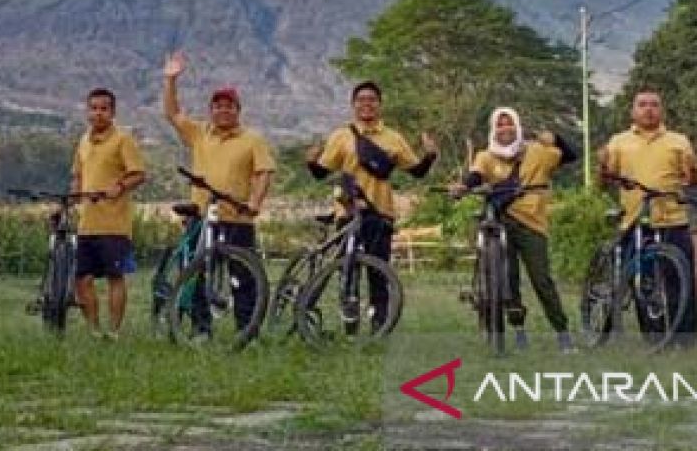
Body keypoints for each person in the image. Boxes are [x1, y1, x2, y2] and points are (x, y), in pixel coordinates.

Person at [305, 81, 437, 332]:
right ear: (353, 105)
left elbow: (417, 172)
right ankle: (350, 325)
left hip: (381, 211)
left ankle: (379, 326)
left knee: (379, 271)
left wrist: (430, 155)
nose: (367, 104)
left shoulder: (393, 138)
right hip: (348, 211)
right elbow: (321, 173)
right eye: (361, 100)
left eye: (372, 100)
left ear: (379, 105)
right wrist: (311, 161)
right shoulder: (340, 136)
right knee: (348, 270)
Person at [162, 51, 275, 335]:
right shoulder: (200, 133)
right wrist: (171, 79)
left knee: (244, 278)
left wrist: (255, 203)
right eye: (218, 106)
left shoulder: (252, 139)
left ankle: (246, 330)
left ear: (238, 110)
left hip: (237, 218)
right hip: (202, 216)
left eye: (229, 106)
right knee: (197, 274)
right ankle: (202, 329)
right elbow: (172, 114)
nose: (223, 110)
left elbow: (264, 172)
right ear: (211, 110)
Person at [450, 107, 576, 352]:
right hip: (501, 221)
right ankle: (518, 329)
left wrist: (555, 138)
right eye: (500, 124)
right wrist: (463, 187)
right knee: (509, 279)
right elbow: (475, 176)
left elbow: (570, 156)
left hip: (533, 224)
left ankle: (562, 333)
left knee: (542, 280)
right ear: (493, 129)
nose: (505, 129)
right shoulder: (485, 156)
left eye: (509, 124)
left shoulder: (537, 151)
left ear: (517, 126)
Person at [599, 88, 697, 345]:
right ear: (633, 111)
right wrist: (603, 167)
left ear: (661, 110)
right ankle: (653, 338)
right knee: (643, 284)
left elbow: (691, 179)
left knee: (680, 281)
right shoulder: (618, 141)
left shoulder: (679, 141)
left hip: (673, 219)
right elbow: (604, 181)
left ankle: (684, 339)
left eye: (654, 104)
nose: (649, 109)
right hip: (635, 220)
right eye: (642, 104)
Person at [71, 88, 146, 340]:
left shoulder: (123, 140)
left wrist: (120, 187)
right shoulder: (83, 141)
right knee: (82, 279)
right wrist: (72, 201)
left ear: (112, 112)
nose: (98, 113)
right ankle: (94, 330)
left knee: (115, 277)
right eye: (93, 108)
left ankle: (114, 331)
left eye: (104, 108)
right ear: (87, 111)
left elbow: (138, 174)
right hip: (87, 223)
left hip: (114, 223)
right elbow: (78, 176)